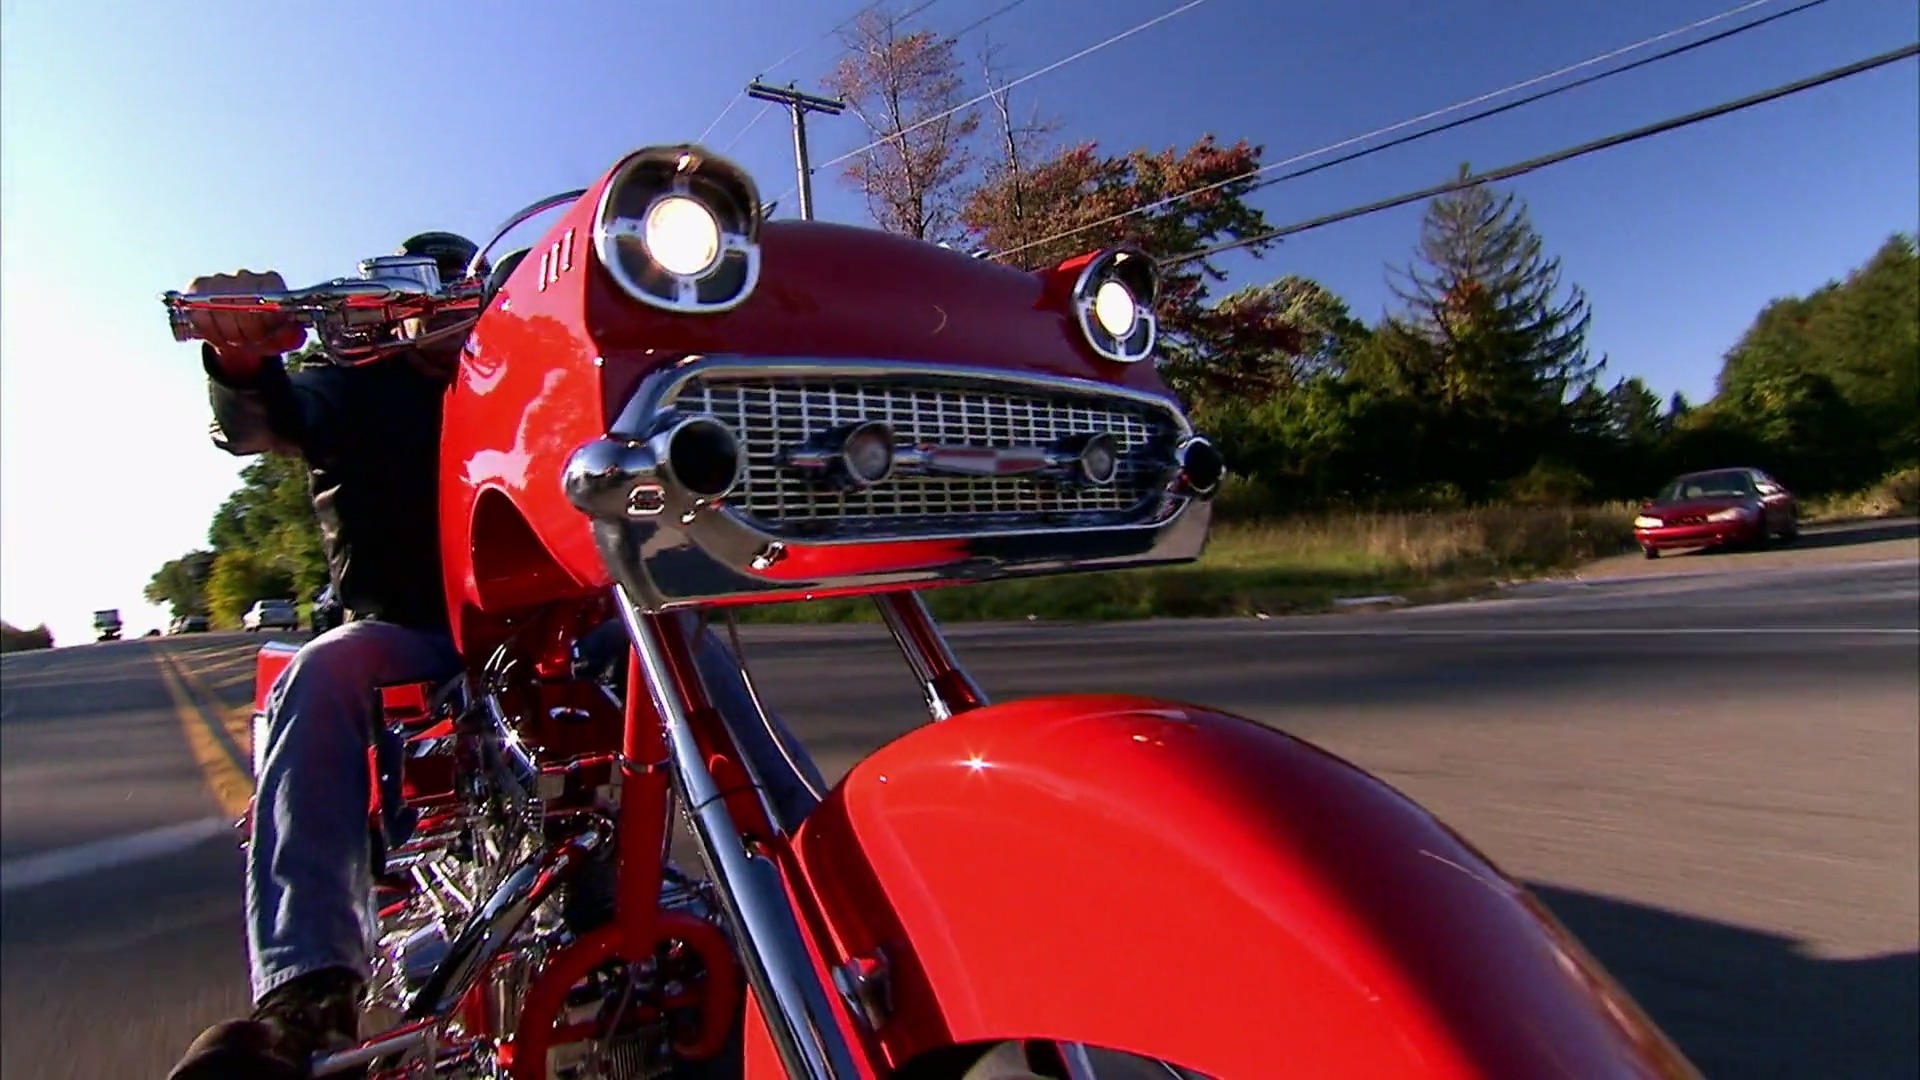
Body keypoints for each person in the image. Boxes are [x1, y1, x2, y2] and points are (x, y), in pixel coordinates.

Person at [168, 233, 823, 1080]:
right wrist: (238, 356)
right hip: (409, 633)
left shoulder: (529, 384)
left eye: (465, 287)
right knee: (316, 670)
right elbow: (263, 418)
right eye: (424, 291)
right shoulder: (353, 388)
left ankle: (819, 868)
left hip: (552, 620)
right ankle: (306, 995)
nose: (447, 309)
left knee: (679, 636)